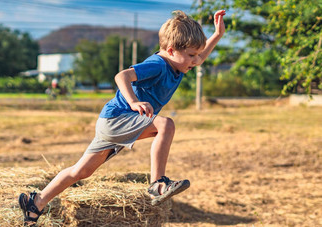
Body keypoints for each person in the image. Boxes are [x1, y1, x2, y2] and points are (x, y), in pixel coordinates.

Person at [18, 9, 226, 225]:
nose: (196, 60)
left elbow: (200, 58)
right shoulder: (158, 64)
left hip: (113, 123)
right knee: (166, 125)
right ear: (172, 50)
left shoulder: (177, 63)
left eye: (196, 55)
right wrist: (134, 102)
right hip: (117, 119)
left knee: (81, 171)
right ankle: (157, 183)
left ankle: (36, 203)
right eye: (191, 55)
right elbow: (122, 76)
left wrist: (217, 34)